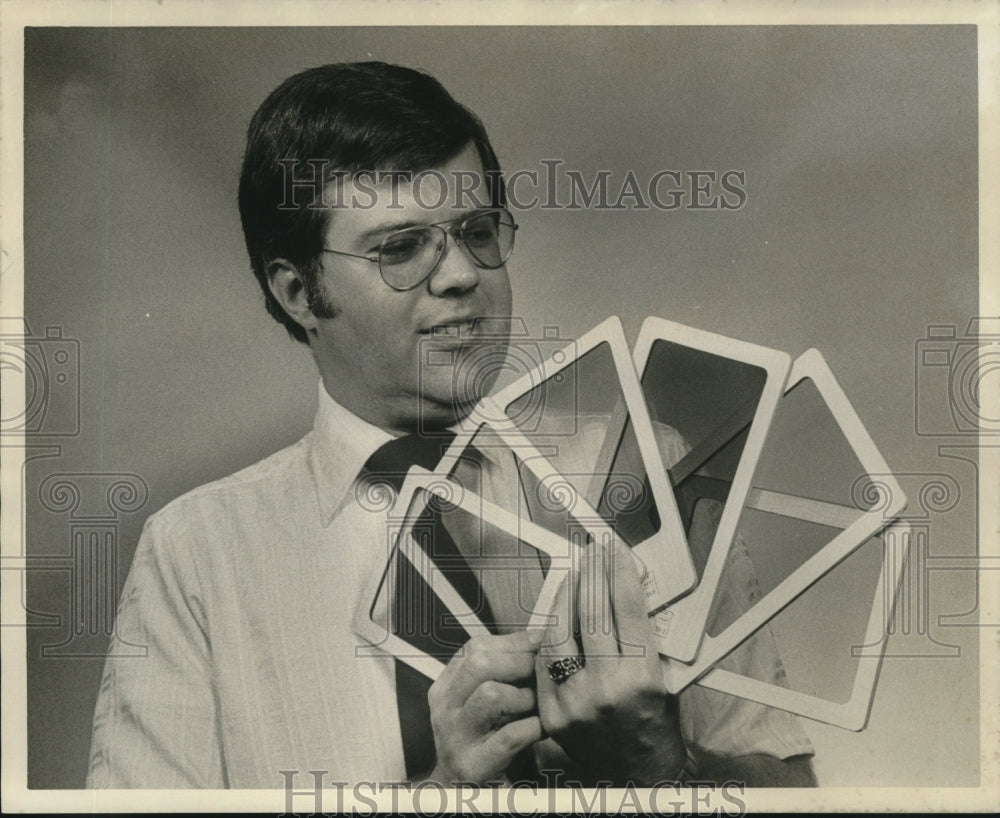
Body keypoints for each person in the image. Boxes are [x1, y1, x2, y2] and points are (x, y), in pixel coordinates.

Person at [86, 61, 816, 788]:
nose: (463, 274)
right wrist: (443, 796)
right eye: (401, 248)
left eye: (476, 231)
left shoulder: (641, 469)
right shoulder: (196, 557)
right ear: (299, 291)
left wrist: (664, 767)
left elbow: (796, 795)